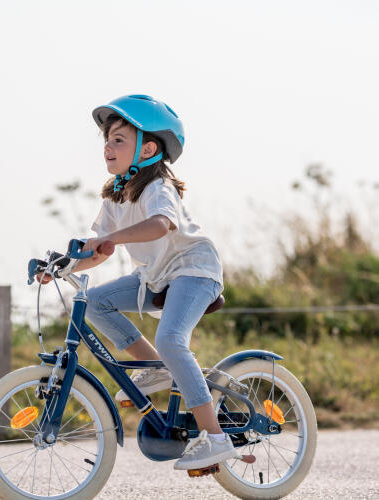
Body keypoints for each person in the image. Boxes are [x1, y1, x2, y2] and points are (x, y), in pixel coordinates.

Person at [38, 94, 240, 470]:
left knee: (170, 338)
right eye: (106, 140)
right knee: (96, 301)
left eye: (119, 140)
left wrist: (111, 239)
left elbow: (159, 225)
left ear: (147, 148)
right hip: (155, 277)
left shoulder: (158, 186)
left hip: (193, 270)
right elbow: (99, 250)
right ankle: (158, 366)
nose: (108, 148)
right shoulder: (116, 194)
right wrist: (62, 265)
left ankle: (215, 438)